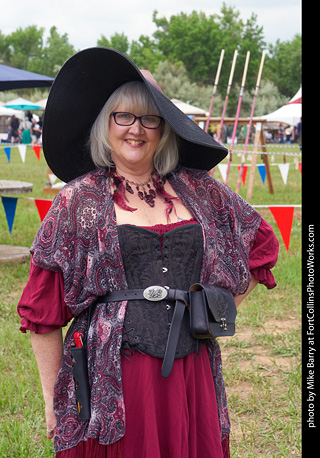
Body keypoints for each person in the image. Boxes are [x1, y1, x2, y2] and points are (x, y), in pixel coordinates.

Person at [17, 47, 279, 458]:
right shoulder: (78, 200)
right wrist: (54, 397)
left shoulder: (200, 189)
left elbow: (260, 243)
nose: (135, 129)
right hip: (110, 379)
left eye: (149, 118)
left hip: (191, 374)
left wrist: (214, 310)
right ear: (106, 124)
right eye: (124, 116)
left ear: (164, 128)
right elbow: (41, 311)